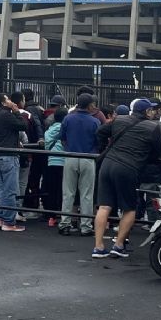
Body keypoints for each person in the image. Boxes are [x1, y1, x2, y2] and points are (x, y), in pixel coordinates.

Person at [92, 99, 161, 258]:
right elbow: (158, 152)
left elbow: (100, 132)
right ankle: (118, 245)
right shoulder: (154, 127)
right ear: (147, 112)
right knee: (129, 208)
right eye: (151, 110)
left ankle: (98, 247)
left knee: (104, 207)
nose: (153, 112)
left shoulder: (119, 119)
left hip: (107, 163)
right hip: (128, 167)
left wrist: (103, 147)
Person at [0, 93, 29, 232]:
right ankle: (9, 222)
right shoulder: (6, 115)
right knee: (10, 190)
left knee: (3, 190)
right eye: (7, 99)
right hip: (9, 156)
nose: (10, 101)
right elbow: (23, 125)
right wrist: (16, 112)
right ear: (3, 103)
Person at [59, 94, 100, 236]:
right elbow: (98, 141)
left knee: (68, 193)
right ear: (89, 105)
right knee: (87, 195)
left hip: (70, 157)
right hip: (88, 158)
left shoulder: (68, 118)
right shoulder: (94, 121)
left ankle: (64, 224)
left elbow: (62, 138)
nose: (94, 106)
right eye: (93, 104)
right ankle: (86, 226)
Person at [21, 89, 47, 212]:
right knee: (34, 177)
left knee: (31, 177)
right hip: (38, 147)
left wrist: (39, 138)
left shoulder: (29, 110)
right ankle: (33, 202)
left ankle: (31, 203)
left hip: (33, 146)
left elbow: (36, 124)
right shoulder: (38, 108)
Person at [43, 108, 68, 227]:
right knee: (63, 191)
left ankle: (51, 217)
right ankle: (63, 215)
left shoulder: (49, 130)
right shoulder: (65, 128)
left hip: (51, 162)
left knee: (52, 190)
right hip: (63, 162)